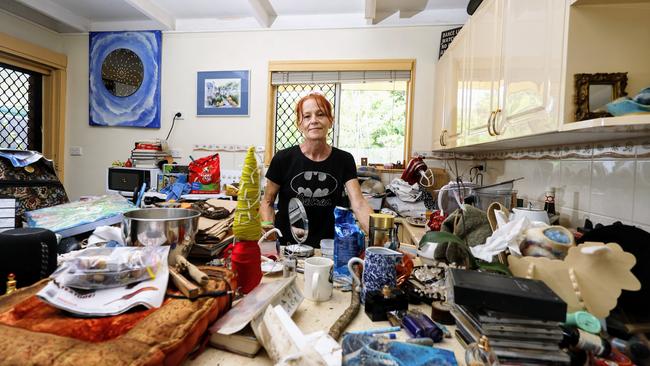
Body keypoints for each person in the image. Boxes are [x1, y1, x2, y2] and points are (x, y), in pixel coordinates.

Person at [260, 92, 373, 247]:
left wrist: (379, 236)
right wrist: (269, 235)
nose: (313, 120)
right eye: (307, 116)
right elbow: (267, 201)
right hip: (288, 245)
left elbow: (358, 203)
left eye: (320, 114)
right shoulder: (283, 158)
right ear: (299, 124)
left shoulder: (344, 159)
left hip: (329, 247)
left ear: (330, 121)